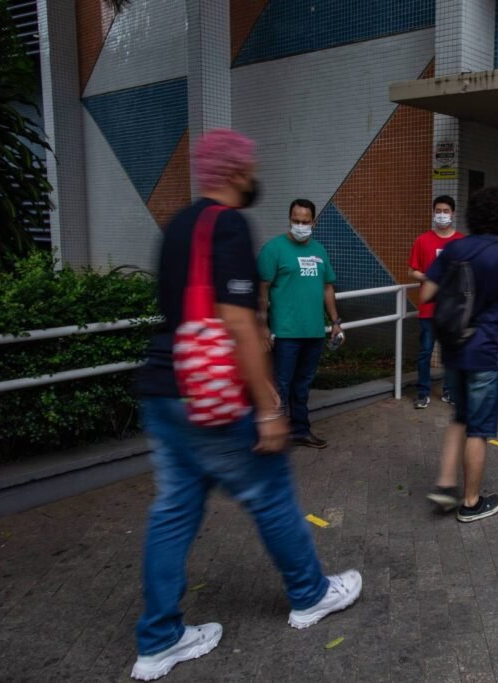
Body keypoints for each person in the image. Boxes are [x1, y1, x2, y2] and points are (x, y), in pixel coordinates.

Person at [133, 130, 360, 681]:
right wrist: (265, 407)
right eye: (251, 167)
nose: (254, 175)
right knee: (272, 494)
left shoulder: (179, 226)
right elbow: (238, 321)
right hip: (213, 396)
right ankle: (310, 594)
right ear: (235, 173)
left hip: (165, 390)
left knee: (173, 513)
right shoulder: (229, 224)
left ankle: (158, 640)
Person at [421, 186, 498, 522]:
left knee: (460, 417)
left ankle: (444, 485)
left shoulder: (454, 249)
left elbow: (426, 293)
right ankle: (470, 503)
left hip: (454, 347)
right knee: (479, 429)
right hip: (484, 352)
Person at [258, 199, 343, 448]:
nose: (300, 225)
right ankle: (275, 433)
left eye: (305, 221)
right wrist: (262, 325)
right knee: (281, 385)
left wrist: (335, 321)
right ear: (289, 219)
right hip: (285, 333)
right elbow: (261, 289)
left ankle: (300, 430)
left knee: (303, 385)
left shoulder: (319, 250)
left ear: (313, 222)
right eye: (296, 220)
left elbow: (327, 287)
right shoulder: (273, 249)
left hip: (314, 331)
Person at [408, 195, 464, 408]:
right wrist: (429, 277)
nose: (442, 215)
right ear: (433, 213)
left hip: (453, 309)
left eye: (446, 211)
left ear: (453, 213)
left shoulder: (461, 242)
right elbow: (411, 271)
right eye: (438, 211)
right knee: (425, 352)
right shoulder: (422, 240)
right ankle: (423, 392)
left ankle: (450, 391)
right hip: (428, 308)